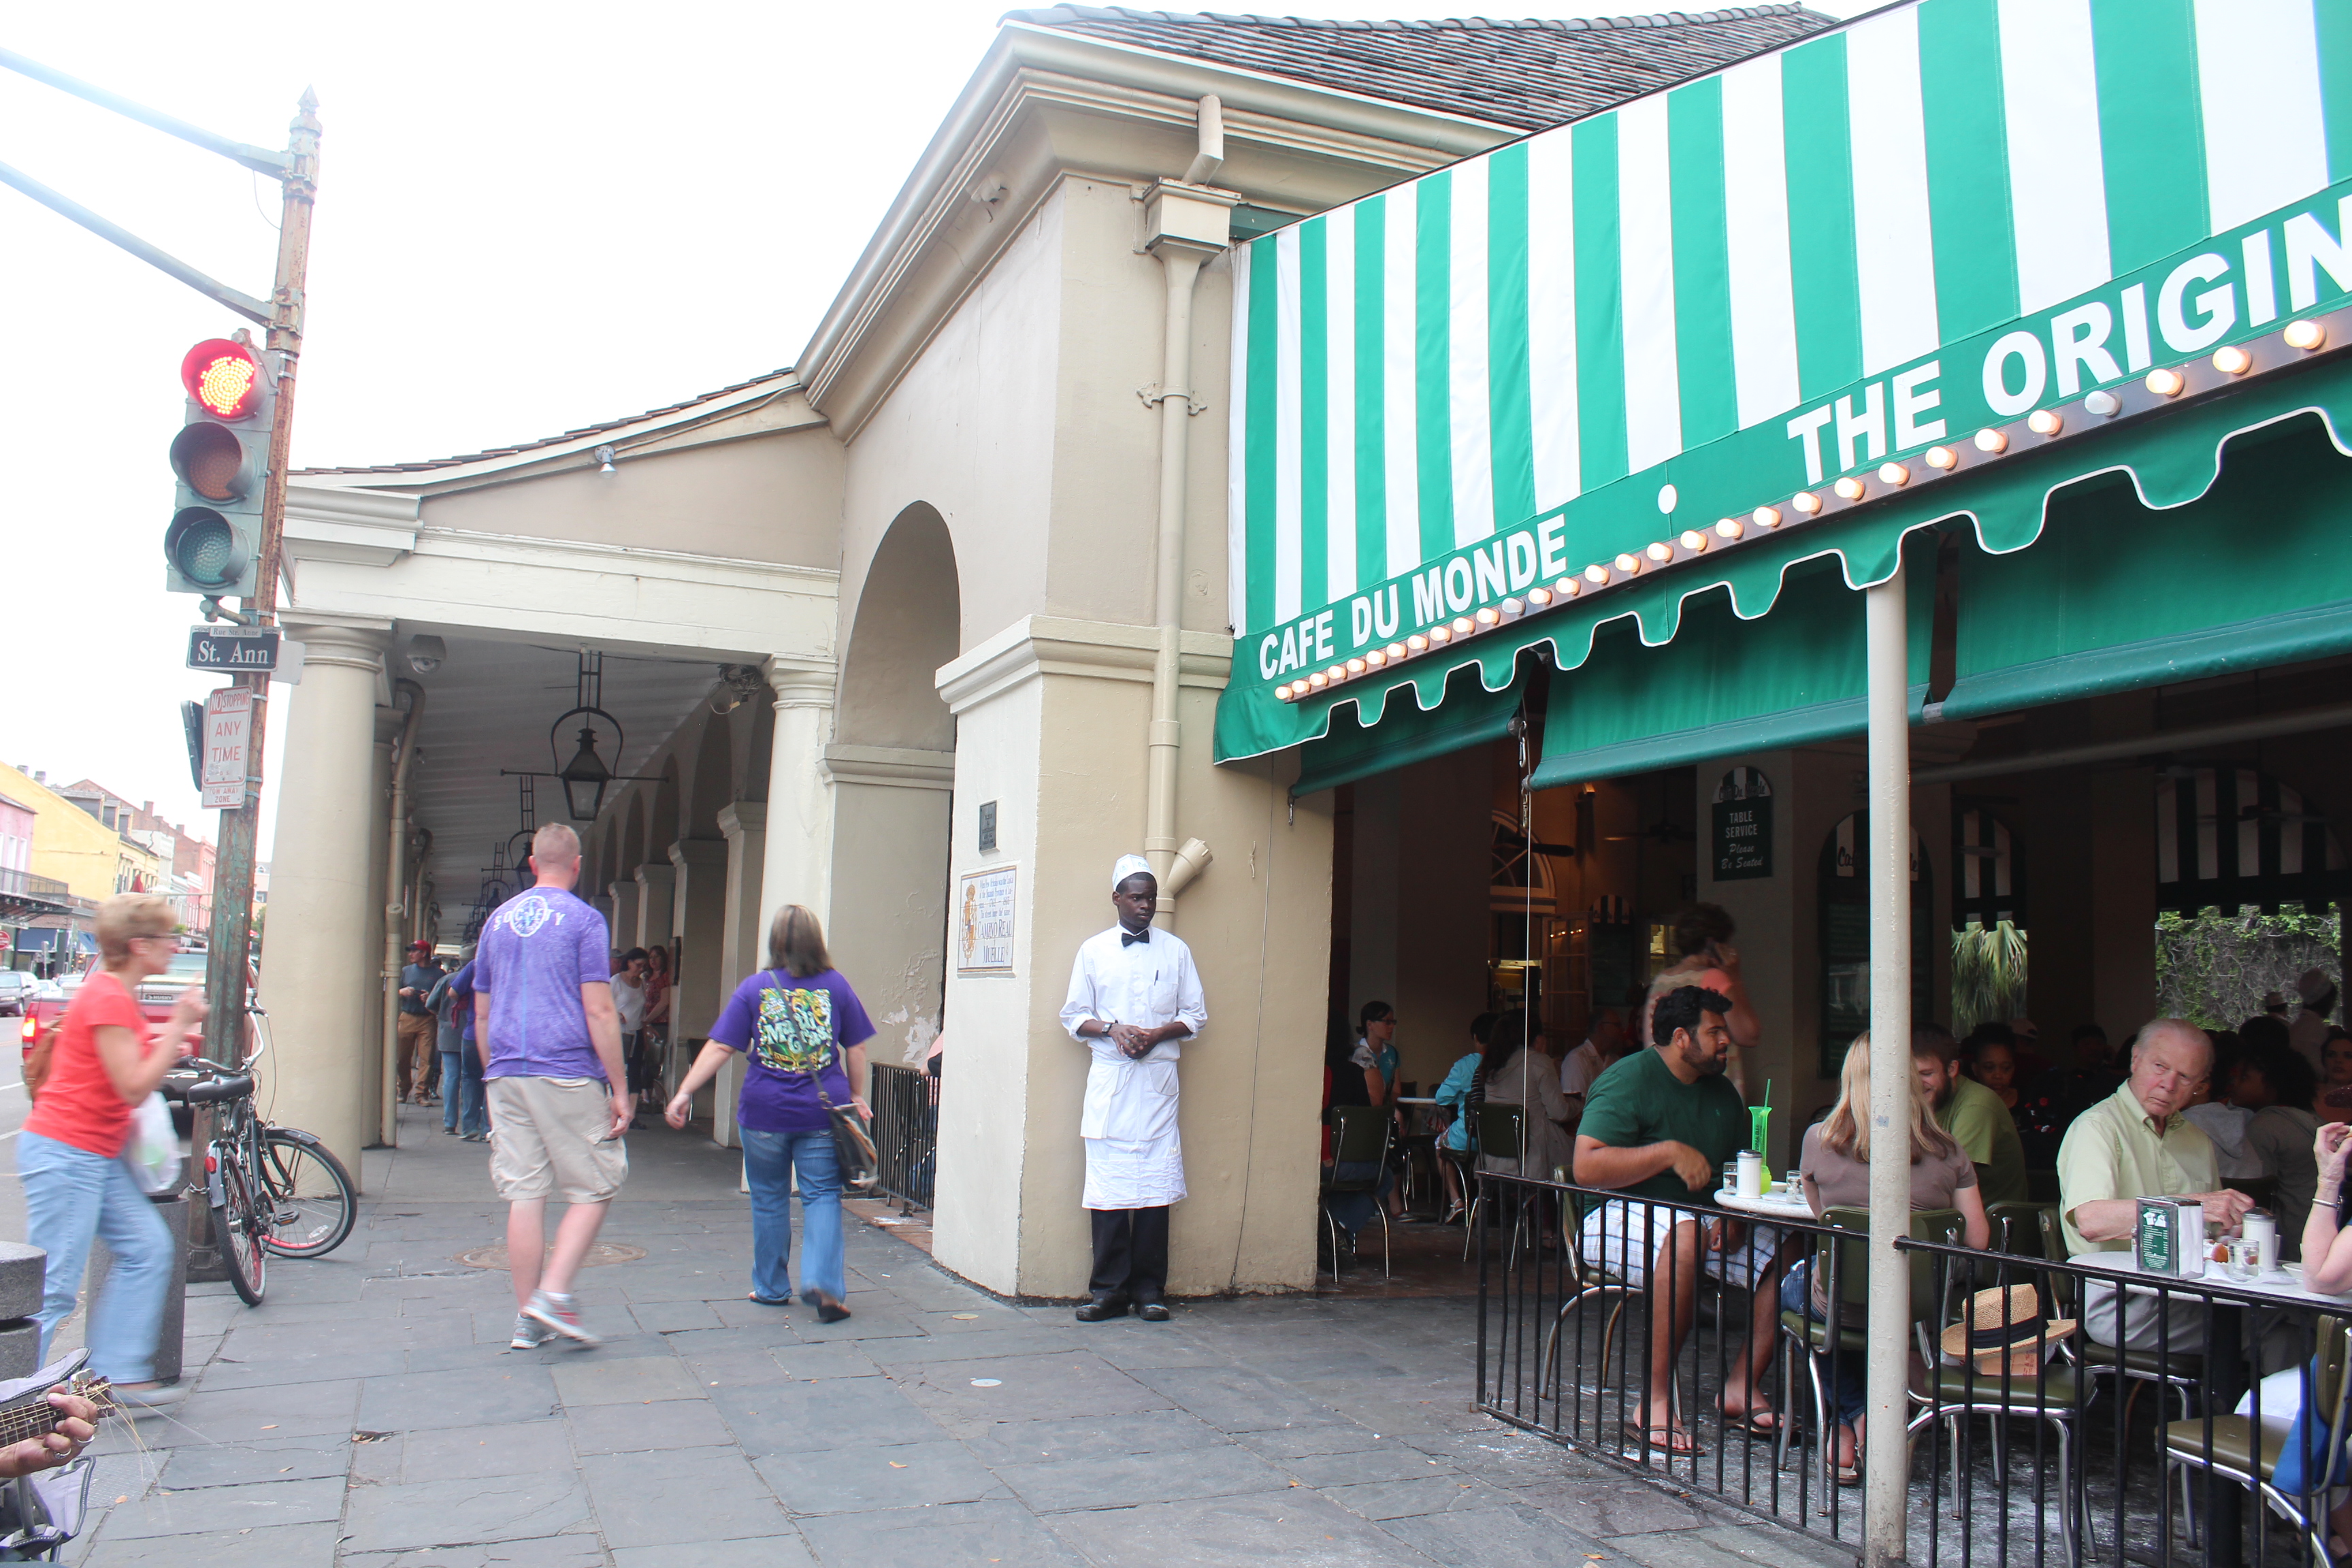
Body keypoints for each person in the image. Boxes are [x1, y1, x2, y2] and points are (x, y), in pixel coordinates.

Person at [1574, 985, 1785, 1454]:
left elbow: (1736, 1170)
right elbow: (1586, 1167)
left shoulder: (1723, 1093)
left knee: (1788, 1246)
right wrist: (1667, 1152)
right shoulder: (1628, 1079)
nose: (1726, 1040)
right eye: (1715, 1031)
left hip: (1703, 1216)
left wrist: (1734, 1214)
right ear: (1681, 1038)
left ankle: (1741, 1384)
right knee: (1685, 1237)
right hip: (1615, 1210)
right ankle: (1654, 1401)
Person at [18, 894, 202, 1407]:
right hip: (68, 1151)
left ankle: (115, 1377)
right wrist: (180, 1025)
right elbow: (133, 1087)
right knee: (54, 1285)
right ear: (139, 945)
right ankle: (15, 1396)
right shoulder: (109, 996)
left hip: (91, 1152)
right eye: (167, 938)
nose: (175, 946)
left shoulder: (112, 993)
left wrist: (162, 1043)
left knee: (147, 1248)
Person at [1790, 1034, 1989, 1482]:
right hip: (1917, 1312)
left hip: (1842, 1302)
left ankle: (1851, 1422)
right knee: (1852, 1303)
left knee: (1798, 1287)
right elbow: (1977, 1240)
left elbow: (1825, 1218)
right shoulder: (1949, 1150)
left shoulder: (1818, 1140)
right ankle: (1862, 1422)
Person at [666, 905, 874, 1322]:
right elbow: (856, 1047)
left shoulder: (755, 988)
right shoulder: (837, 986)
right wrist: (855, 1094)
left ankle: (771, 1287)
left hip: (763, 1112)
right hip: (821, 1113)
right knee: (822, 1196)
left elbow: (721, 1046)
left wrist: (685, 1091)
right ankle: (824, 1287)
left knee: (768, 1198)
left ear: (775, 942)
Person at [472, 824, 632, 1350]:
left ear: (533, 863)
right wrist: (620, 1087)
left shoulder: (497, 922)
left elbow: (481, 1013)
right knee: (595, 1186)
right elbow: (599, 1009)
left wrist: (493, 1073)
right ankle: (554, 1293)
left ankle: (526, 1319)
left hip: (506, 1071)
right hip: (564, 1067)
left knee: (525, 1194)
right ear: (577, 865)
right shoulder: (584, 920)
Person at [1058, 854, 1207, 1324]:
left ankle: (1149, 1291)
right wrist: (1113, 1029)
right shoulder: (1093, 951)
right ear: (1117, 898)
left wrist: (1157, 1034)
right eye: (1138, 897)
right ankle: (1108, 1291)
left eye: (1152, 898)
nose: (1146, 905)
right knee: (1109, 1190)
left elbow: (1195, 1015)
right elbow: (1073, 1015)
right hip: (1112, 1084)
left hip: (1157, 1085)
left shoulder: (1176, 951)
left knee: (1155, 1192)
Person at [2057, 1020, 2253, 1352]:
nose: (2168, 1085)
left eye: (2185, 1077)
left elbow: (2215, 1233)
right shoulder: (2097, 1127)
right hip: (2121, 1300)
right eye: (2160, 1067)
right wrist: (2192, 1205)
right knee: (2276, 1324)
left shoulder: (2197, 1140)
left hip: (2191, 1291)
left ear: (2201, 1086)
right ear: (2135, 1060)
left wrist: (2232, 1232)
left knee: (2285, 1319)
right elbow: (2090, 1221)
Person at [1639, 905, 1762, 1096]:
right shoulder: (1714, 978)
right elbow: (1749, 1035)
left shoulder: (1660, 981)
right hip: (1709, 1092)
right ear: (1713, 943)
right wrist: (1734, 976)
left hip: (1665, 1087)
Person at [1919, 1026, 2028, 1204]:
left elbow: (1946, 1180)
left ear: (1952, 1069)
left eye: (1926, 1074)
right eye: (1909, 1074)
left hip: (1986, 1216)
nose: (1917, 1082)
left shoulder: (1978, 1104)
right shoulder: (1920, 1099)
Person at [2235, 1036, 2321, 1253]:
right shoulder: (2311, 1119)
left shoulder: (2265, 1126)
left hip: (2286, 1238)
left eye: (2245, 1077)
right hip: (2315, 1227)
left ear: (2271, 1083)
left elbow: (2256, 1190)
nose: (2235, 1084)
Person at [1477, 1009, 1575, 1189]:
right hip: (1531, 1161)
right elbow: (1559, 1113)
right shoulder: (1538, 1062)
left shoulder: (1491, 1063)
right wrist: (1578, 1105)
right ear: (1537, 1037)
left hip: (1493, 1160)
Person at [2016, 1023, 2123, 1166]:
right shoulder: (2064, 1081)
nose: (2093, 1048)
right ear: (2076, 1048)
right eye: (2087, 1044)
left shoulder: (2113, 1078)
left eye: (2099, 1043)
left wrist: (2115, 1064)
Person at [1431, 1013, 1493, 1225]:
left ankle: (1456, 1201)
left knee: (1440, 1145)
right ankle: (1485, 1202)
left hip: (1468, 1136)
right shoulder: (1511, 1065)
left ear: (1476, 1038)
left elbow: (1441, 1097)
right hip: (1499, 1139)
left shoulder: (1466, 1065)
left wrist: (1461, 1096)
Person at [425, 947, 483, 1139]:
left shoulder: (447, 980)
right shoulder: (486, 971)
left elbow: (430, 1004)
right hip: (478, 1033)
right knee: (477, 1079)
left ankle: (450, 1123)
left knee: (452, 1077)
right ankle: (480, 1124)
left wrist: (443, 1017)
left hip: (450, 1033)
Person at [440, 949, 489, 1141]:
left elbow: (453, 992)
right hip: (500, 1035)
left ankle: (469, 1127)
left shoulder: (475, 965)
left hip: (473, 1032)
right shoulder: (511, 964)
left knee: (470, 1078)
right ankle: (489, 1129)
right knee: (493, 1080)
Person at [1558, 1008, 1629, 1122]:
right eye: (1617, 1025)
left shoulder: (1615, 1060)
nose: (1622, 1030)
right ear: (1601, 1027)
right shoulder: (1577, 1059)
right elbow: (1576, 1107)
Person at [397, 940, 442, 1106]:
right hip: (407, 1016)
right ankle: (403, 1088)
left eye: (414, 951)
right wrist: (402, 992)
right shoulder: (406, 971)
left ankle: (422, 1093)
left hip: (428, 1018)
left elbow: (443, 997)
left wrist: (430, 998)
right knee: (402, 1057)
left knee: (426, 1058)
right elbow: (391, 990)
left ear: (424, 954)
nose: (410, 954)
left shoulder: (439, 974)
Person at [610, 948, 651, 1124]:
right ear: (629, 962)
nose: (641, 969)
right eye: (638, 965)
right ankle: (614, 1111)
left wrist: (645, 1034)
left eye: (643, 966)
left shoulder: (641, 983)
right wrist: (616, 1015)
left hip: (636, 1031)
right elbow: (605, 1006)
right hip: (618, 1033)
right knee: (618, 1073)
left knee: (635, 1074)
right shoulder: (616, 981)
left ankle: (631, 1115)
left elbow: (642, 1012)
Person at [2293, 969, 2339, 1072]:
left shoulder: (2301, 1024)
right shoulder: (2312, 1027)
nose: (2333, 1006)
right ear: (2325, 1000)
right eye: (2333, 1000)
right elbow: (2315, 1068)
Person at [1967, 1035, 2021, 1112]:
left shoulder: (2029, 1102)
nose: (1998, 1076)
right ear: (1975, 1069)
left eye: (2006, 1068)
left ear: (2013, 1068)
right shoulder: (1966, 1104)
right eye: (1989, 1068)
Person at [2319, 1031, 2352, 1126]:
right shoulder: (2306, 1094)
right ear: (2323, 1060)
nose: (2338, 1060)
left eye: (2348, 1056)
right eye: (2331, 1055)